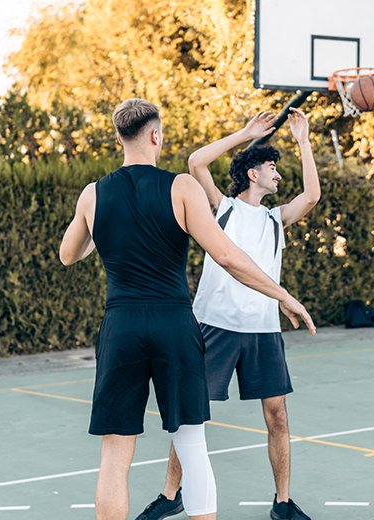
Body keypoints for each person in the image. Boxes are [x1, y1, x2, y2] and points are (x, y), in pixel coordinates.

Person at [59, 99, 316, 520]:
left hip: (121, 325)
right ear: (156, 135)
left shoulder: (93, 194)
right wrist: (284, 296)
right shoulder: (181, 187)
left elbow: (69, 254)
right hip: (174, 324)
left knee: (115, 452)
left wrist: (97, 228)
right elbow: (229, 258)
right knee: (192, 444)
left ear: (119, 137)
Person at [136, 109, 320, 520]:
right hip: (213, 326)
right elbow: (196, 162)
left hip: (262, 330)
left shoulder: (276, 220)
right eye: (272, 167)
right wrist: (246, 133)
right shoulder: (220, 207)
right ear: (253, 174)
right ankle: (171, 494)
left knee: (277, 417)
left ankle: (283, 503)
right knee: (191, 413)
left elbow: (311, 197)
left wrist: (304, 140)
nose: (277, 174)